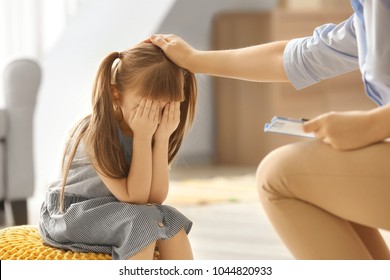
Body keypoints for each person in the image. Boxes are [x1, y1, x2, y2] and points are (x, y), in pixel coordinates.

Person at [149, 0, 390, 259]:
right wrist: (194, 60)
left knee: (278, 177)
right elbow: (301, 56)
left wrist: (370, 125)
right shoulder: (369, 14)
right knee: (323, 175)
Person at [38, 42, 197, 260]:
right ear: (116, 95)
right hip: (69, 214)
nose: (155, 118)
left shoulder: (150, 128)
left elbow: (155, 197)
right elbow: (136, 199)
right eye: (146, 108)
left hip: (115, 210)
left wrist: (161, 139)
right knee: (141, 224)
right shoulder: (95, 132)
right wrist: (143, 137)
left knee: (172, 222)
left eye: (166, 109)